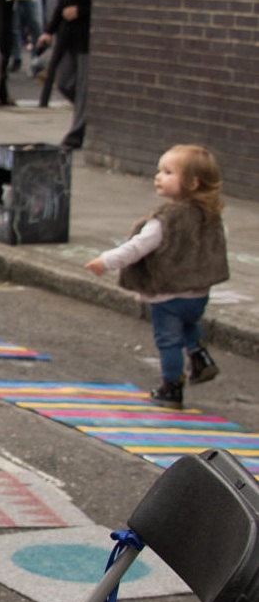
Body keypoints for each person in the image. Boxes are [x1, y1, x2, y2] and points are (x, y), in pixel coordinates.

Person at [84, 145, 229, 410]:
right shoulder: (211, 215)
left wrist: (105, 262)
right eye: (159, 170)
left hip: (167, 293)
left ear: (192, 182)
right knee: (187, 324)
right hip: (198, 293)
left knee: (168, 341)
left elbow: (136, 247)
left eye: (167, 172)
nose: (158, 176)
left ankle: (171, 389)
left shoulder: (165, 221)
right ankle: (200, 357)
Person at [38, 0, 92, 150]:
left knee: (83, 85)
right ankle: (86, 113)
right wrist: (49, 30)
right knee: (65, 80)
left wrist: (82, 11)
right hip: (69, 35)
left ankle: (76, 134)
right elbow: (63, 1)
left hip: (86, 36)